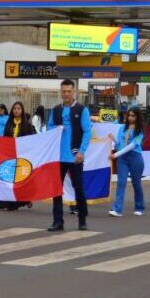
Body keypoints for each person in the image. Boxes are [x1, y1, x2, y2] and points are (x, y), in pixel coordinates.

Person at [47, 79, 91, 232]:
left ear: (74, 92)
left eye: (68, 91)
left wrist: (81, 151)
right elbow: (49, 127)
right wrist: (55, 128)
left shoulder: (81, 109)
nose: (66, 94)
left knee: (78, 188)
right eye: (63, 91)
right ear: (61, 92)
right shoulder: (56, 110)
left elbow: (87, 131)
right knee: (56, 190)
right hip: (58, 157)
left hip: (74, 156)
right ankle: (57, 221)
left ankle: (82, 219)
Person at [0, 102, 36, 211]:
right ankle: (7, 202)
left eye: (18, 108)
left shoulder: (27, 125)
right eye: (14, 108)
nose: (16, 110)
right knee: (9, 179)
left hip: (23, 156)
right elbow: (4, 139)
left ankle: (25, 199)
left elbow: (31, 140)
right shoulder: (9, 124)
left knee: (22, 179)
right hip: (10, 155)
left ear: (22, 110)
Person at [108, 107, 146, 217]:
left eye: (133, 115)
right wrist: (113, 139)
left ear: (137, 117)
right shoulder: (122, 128)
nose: (130, 118)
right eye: (129, 115)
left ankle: (140, 207)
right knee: (121, 182)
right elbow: (120, 144)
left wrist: (115, 155)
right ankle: (117, 209)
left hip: (135, 157)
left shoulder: (140, 131)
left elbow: (133, 145)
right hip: (122, 159)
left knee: (136, 182)